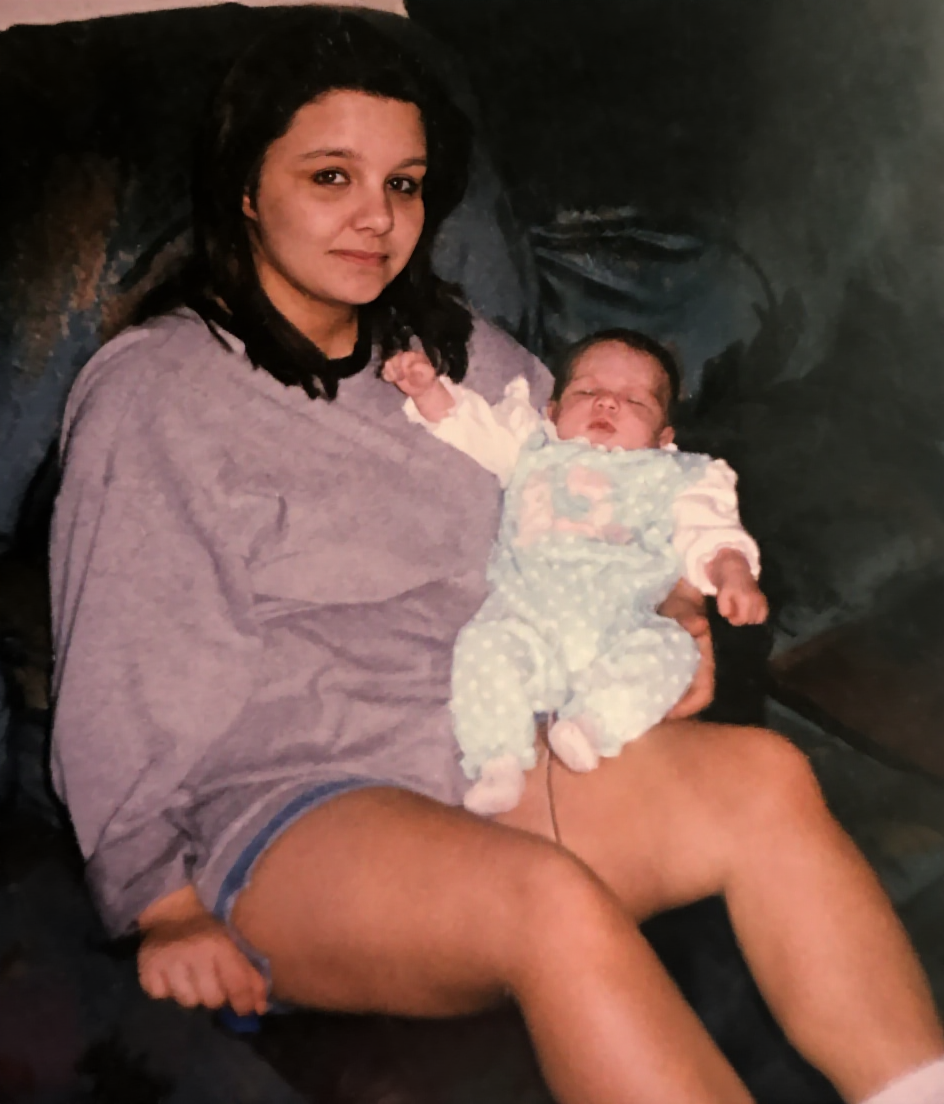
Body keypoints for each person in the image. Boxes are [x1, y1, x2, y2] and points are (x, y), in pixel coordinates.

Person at [48, 10, 944, 1104]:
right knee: (547, 902)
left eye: (406, 185)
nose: (377, 220)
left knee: (765, 778)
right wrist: (162, 905)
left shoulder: (463, 352)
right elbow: (126, 658)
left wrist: (673, 609)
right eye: (332, 177)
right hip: (291, 803)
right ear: (244, 186)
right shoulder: (156, 393)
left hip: (479, 748)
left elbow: (610, 503)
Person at [383, 329, 767, 815]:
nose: (607, 403)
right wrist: (428, 389)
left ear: (664, 438)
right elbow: (471, 426)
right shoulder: (532, 450)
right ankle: (497, 760)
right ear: (552, 411)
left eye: (634, 401)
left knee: (672, 648)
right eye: (587, 392)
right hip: (528, 618)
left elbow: (710, 530)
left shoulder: (676, 475)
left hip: (623, 626)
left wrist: (733, 572)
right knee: (485, 647)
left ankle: (591, 725)